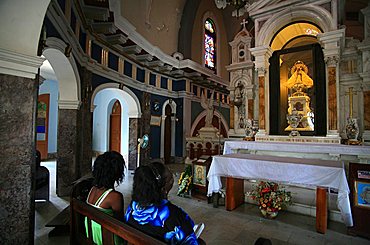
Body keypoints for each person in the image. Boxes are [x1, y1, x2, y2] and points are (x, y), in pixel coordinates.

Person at [125, 162, 199, 244]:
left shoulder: (133, 206)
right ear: (163, 189)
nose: (173, 180)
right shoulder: (174, 215)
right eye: (171, 179)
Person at [85, 151, 126, 245]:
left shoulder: (93, 189)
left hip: (92, 235)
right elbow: (120, 223)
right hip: (106, 239)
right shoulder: (115, 197)